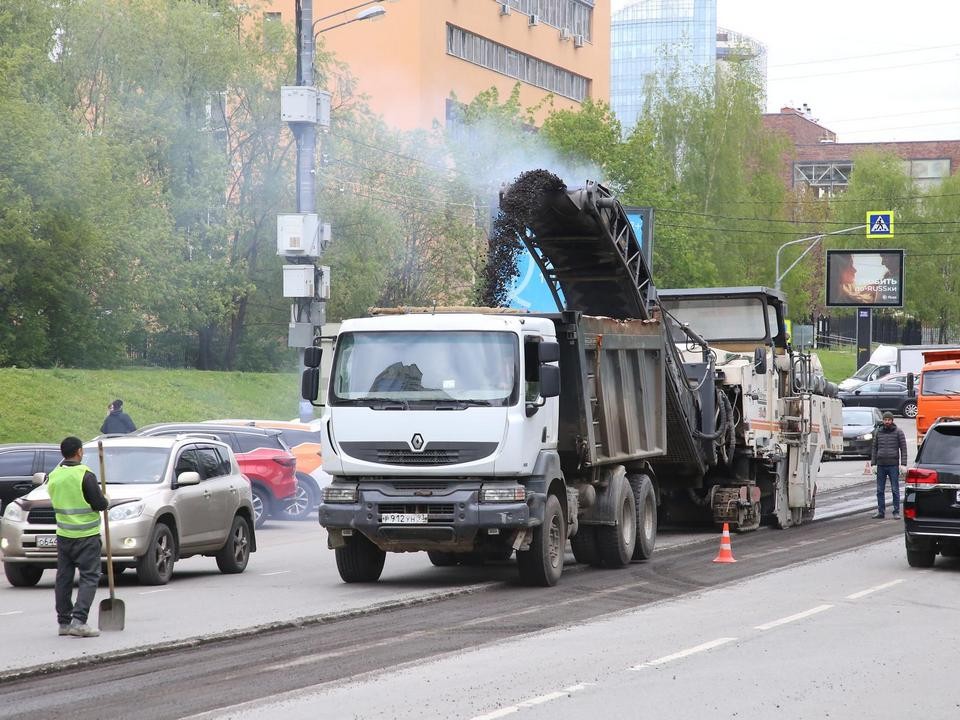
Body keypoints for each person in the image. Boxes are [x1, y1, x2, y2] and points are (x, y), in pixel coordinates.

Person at [47, 436, 109, 637]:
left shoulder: (55, 475)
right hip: (86, 535)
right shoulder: (85, 475)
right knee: (89, 577)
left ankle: (64, 622)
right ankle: (79, 621)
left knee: (64, 578)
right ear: (80, 452)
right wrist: (106, 500)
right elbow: (99, 504)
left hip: (64, 535)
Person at [866, 411, 908, 519]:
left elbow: (903, 448)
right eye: (885, 420)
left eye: (889, 420)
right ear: (883, 420)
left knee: (895, 489)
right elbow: (874, 448)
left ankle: (896, 511)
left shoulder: (898, 432)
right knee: (880, 490)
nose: (887, 421)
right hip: (881, 465)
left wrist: (903, 464)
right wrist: (873, 463)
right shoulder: (878, 432)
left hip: (893, 465)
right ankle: (881, 511)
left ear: (892, 420)